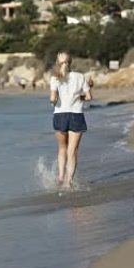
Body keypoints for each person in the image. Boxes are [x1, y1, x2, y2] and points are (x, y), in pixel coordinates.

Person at [49, 52, 92, 190]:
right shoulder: (80, 77)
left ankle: (60, 177)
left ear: (57, 63)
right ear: (70, 62)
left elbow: (52, 99)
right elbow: (89, 97)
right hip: (76, 115)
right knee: (72, 151)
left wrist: (54, 101)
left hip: (60, 115)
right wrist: (79, 97)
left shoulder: (55, 78)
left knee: (62, 148)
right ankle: (69, 181)